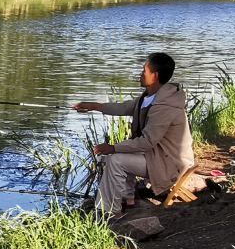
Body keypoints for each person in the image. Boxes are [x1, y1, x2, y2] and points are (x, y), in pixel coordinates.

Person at [72, 52, 196, 219]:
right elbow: (123, 108)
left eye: (144, 70)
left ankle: (110, 212)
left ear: (155, 76)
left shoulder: (165, 105)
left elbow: (147, 142)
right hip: (158, 157)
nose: (140, 73)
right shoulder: (149, 98)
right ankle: (128, 199)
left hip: (171, 164)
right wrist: (93, 106)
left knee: (116, 159)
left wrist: (113, 148)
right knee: (120, 153)